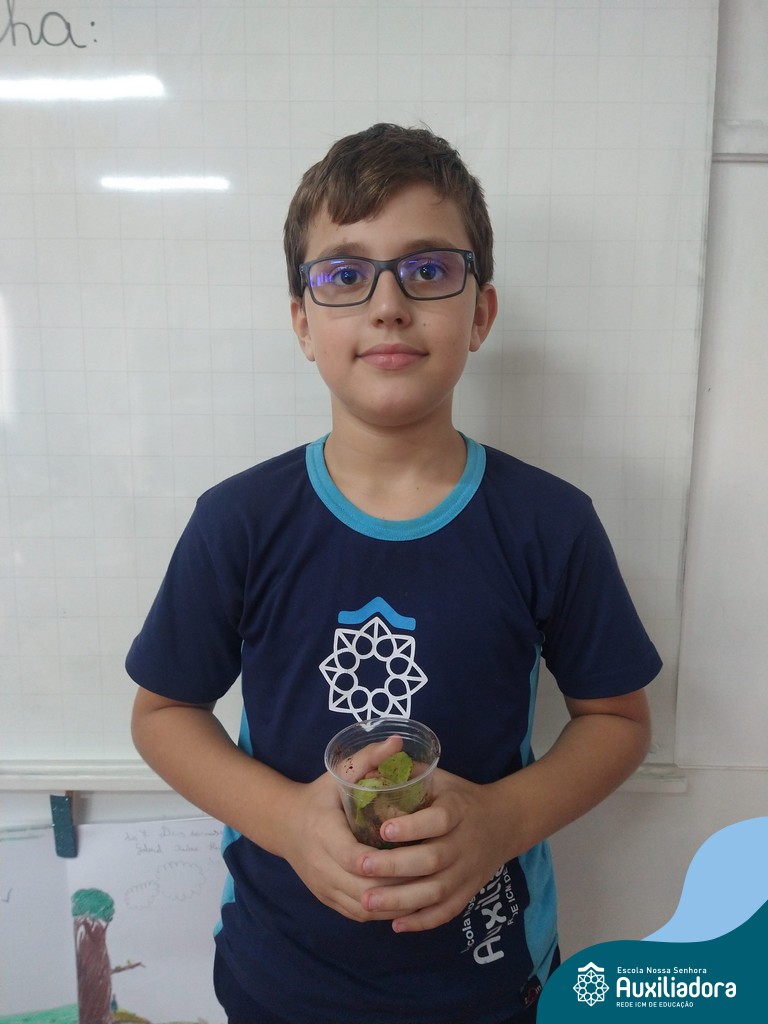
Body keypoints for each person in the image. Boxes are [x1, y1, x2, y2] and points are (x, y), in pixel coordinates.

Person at [127, 123, 661, 1024]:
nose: (388, 304)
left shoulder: (550, 523)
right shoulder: (238, 522)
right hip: (279, 979)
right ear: (303, 322)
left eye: (428, 268)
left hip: (490, 982)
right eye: (345, 274)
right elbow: (162, 713)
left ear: (480, 314)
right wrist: (289, 822)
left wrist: (500, 822)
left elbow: (617, 719)